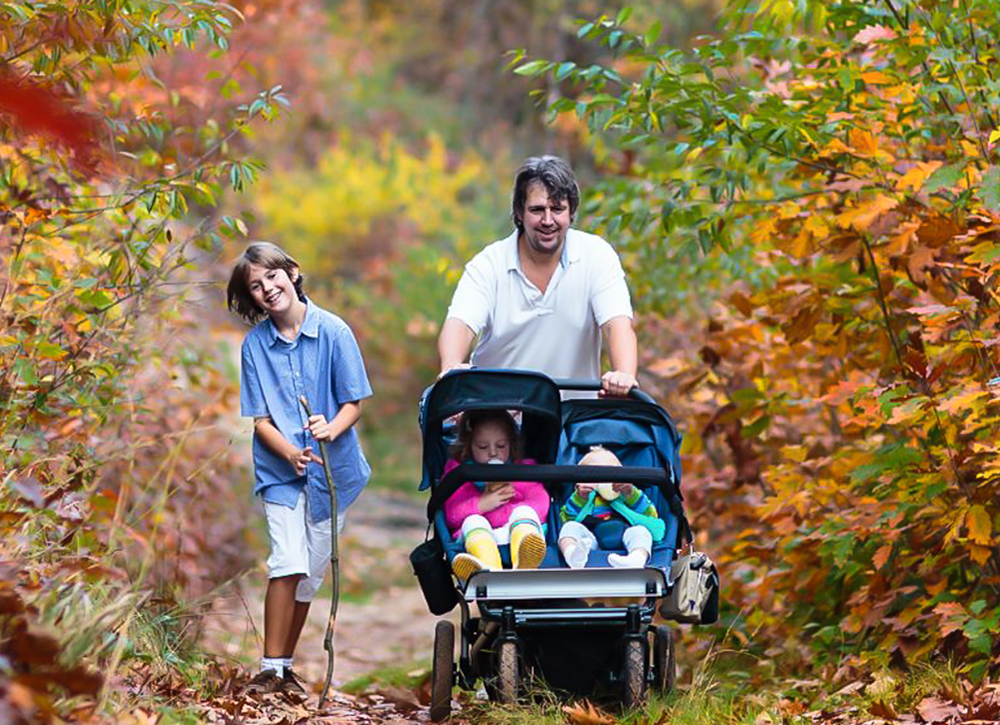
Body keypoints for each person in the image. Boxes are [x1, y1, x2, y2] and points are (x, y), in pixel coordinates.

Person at [227, 241, 372, 695]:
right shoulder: (255, 347)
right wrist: (289, 452)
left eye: (272, 276)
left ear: (292, 272)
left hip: (333, 474)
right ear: (251, 297)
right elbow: (261, 421)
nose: (268, 288)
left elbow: (354, 402)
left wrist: (331, 428)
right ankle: (270, 669)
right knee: (286, 562)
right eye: (256, 286)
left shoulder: (334, 331)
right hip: (280, 473)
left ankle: (284, 666)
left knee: (308, 576)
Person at [438, 155, 638, 396]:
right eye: (537, 210)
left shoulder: (596, 255)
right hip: (497, 409)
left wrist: (624, 374)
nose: (548, 220)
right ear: (519, 213)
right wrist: (451, 365)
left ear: (571, 212)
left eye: (557, 209)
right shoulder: (489, 264)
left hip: (573, 413)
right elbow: (460, 322)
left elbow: (617, 325)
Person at [442, 409, 549, 581]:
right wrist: (482, 503)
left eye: (501, 446)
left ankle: (524, 562)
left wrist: (511, 501)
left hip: (514, 531)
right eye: (483, 447)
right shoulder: (459, 472)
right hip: (478, 536)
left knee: (525, 512)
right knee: (473, 520)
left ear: (511, 444)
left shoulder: (524, 468)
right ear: (469, 445)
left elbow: (541, 504)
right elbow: (452, 515)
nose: (493, 453)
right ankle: (488, 569)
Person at [558, 447, 659, 569]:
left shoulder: (627, 494)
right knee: (570, 527)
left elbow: (650, 515)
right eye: (594, 476)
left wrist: (631, 494)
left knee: (641, 532)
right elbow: (566, 519)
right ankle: (572, 555)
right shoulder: (582, 497)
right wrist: (580, 497)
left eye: (611, 474)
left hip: (625, 537)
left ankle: (636, 558)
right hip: (591, 540)